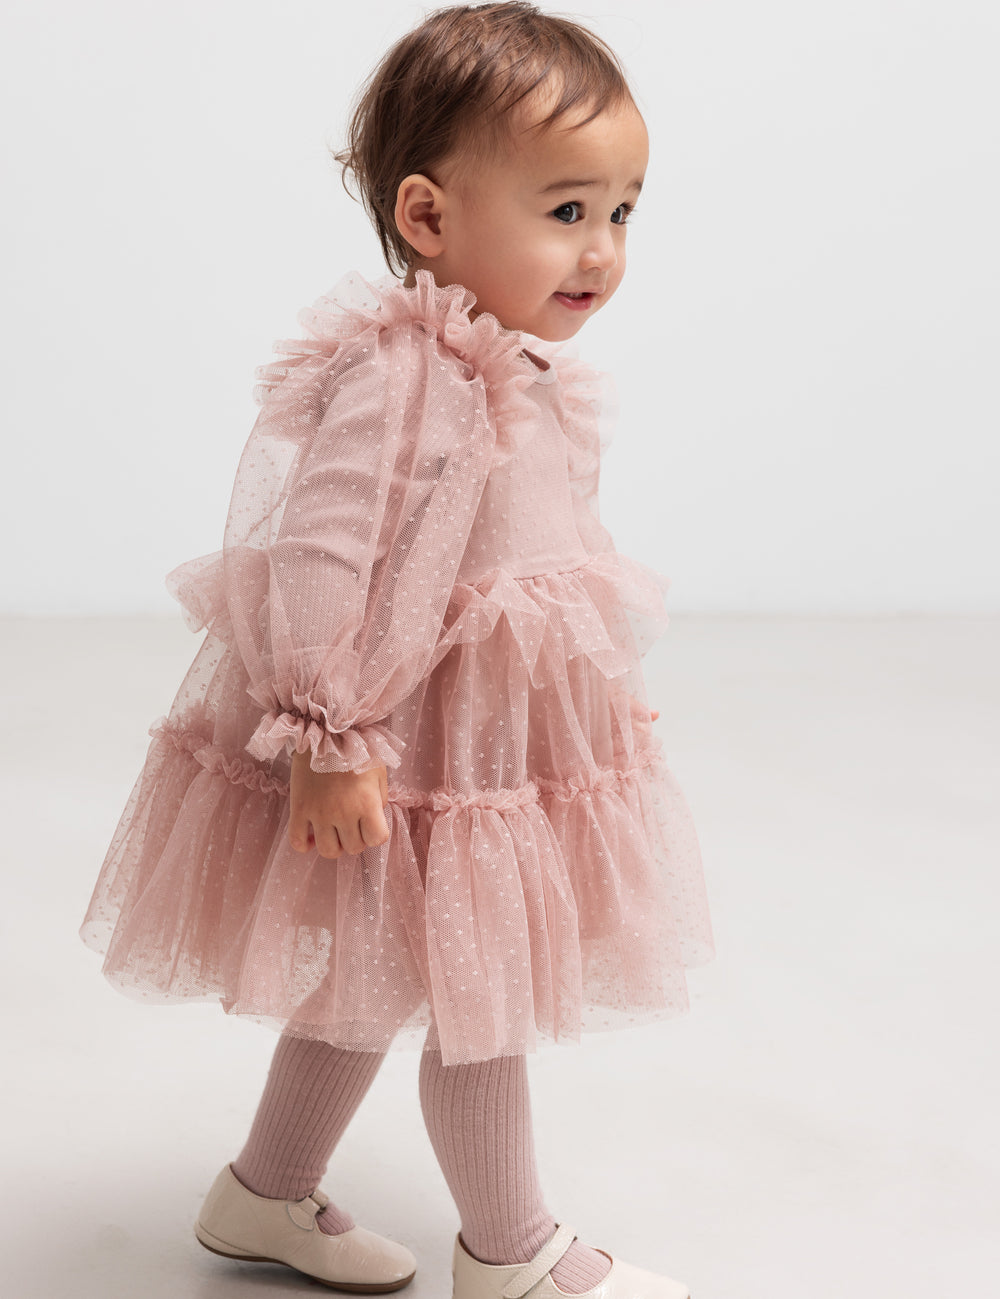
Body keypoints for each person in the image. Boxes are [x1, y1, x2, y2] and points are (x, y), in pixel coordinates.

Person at [80, 4, 714, 1296]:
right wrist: (327, 732)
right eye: (566, 210)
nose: (602, 249)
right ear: (429, 219)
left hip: (480, 744)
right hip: (403, 745)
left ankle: (262, 1192)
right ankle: (513, 1247)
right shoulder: (406, 374)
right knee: (476, 986)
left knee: (369, 984)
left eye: (622, 212)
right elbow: (324, 552)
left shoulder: (514, 365)